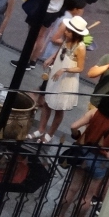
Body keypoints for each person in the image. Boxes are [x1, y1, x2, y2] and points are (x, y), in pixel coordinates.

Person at [36, 15, 89, 143]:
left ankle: (50, 133)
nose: (66, 32)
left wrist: (64, 69)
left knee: (59, 108)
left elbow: (80, 67)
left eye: (69, 31)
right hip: (56, 73)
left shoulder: (80, 47)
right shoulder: (66, 40)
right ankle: (41, 129)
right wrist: (52, 58)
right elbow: (61, 49)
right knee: (47, 103)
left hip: (66, 79)